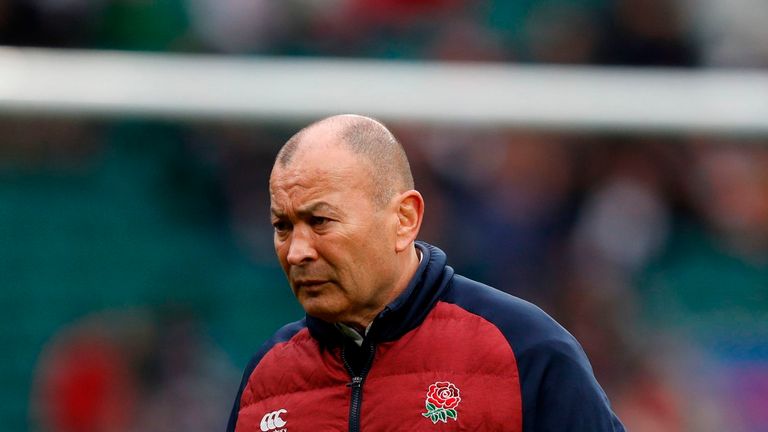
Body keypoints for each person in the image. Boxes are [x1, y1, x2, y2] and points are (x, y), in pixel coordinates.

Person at [227, 114, 625, 431]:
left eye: (320, 221)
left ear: (404, 219)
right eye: (283, 226)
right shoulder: (267, 378)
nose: (297, 252)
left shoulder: (527, 350)